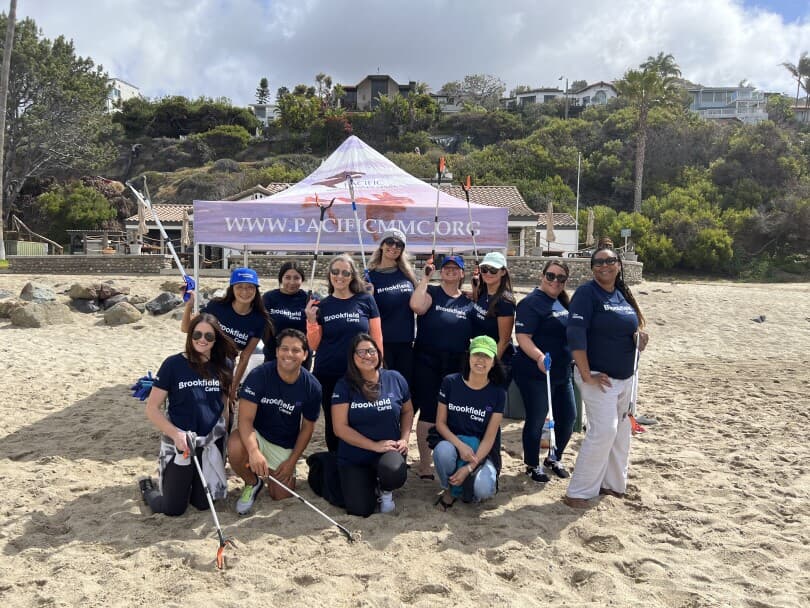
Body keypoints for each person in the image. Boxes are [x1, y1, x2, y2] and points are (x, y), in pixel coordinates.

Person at [563, 246, 649, 508]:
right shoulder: (587, 294)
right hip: (599, 378)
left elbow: (629, 326)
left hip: (626, 377)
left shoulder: (622, 294)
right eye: (598, 262)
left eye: (610, 261)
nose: (604, 266)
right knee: (603, 431)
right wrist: (586, 373)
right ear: (592, 268)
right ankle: (579, 491)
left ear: (619, 265)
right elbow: (575, 334)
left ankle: (612, 485)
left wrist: (639, 339)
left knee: (622, 432)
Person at [139, 313, 237, 516]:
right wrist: (176, 435)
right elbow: (152, 408)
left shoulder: (225, 365)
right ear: (190, 335)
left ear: (216, 339)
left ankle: (188, 485)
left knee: (203, 504)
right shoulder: (173, 365)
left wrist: (224, 445)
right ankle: (148, 489)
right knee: (173, 509)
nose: (202, 340)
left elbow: (225, 405)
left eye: (209, 336)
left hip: (209, 443)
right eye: (197, 334)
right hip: (182, 443)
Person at [228, 329, 322, 514]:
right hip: (258, 436)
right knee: (235, 445)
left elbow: (307, 428)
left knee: (280, 495)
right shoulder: (259, 375)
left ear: (304, 355)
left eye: (296, 350)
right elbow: (245, 420)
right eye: (284, 349)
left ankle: (272, 473)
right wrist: (254, 452)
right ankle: (252, 482)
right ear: (277, 351)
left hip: (284, 442)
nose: (289, 354)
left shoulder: (312, 387)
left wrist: (292, 461)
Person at [306, 254, 382, 452]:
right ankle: (336, 470)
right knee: (334, 426)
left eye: (345, 272)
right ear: (330, 275)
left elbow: (377, 338)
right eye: (335, 272)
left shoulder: (366, 300)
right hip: (328, 373)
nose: (340, 276)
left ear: (352, 276)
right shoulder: (322, 306)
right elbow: (314, 345)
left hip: (360, 373)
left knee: (363, 421)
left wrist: (378, 368)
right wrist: (311, 322)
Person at [331, 334, 413, 517]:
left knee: (394, 473)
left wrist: (405, 438)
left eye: (371, 351)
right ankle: (366, 483)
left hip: (388, 451)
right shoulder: (344, 386)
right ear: (352, 357)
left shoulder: (395, 378)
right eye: (361, 352)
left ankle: (385, 491)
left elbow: (407, 411)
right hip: (355, 455)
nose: (367, 356)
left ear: (378, 353)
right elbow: (340, 427)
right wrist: (374, 446)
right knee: (360, 509)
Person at [409, 254, 473, 479]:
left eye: (456, 268)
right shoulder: (432, 292)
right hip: (427, 359)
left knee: (450, 413)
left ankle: (447, 458)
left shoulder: (468, 300)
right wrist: (425, 278)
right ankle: (425, 466)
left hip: (456, 362)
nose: (451, 271)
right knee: (427, 412)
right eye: (447, 267)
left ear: (462, 273)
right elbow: (416, 306)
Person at [513, 260, 576, 483]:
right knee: (537, 419)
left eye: (561, 278)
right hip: (535, 373)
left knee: (568, 417)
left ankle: (554, 457)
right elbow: (523, 338)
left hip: (562, 372)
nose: (555, 281)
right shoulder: (530, 303)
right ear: (542, 276)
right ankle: (532, 464)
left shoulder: (562, 302)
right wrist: (539, 356)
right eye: (551, 276)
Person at [433, 335, 506, 510]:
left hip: (481, 452)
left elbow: (489, 439)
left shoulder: (498, 393)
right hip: (454, 444)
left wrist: (469, 468)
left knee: (483, 490)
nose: (481, 360)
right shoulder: (450, 382)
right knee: (442, 452)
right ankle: (450, 488)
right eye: (477, 354)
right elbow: (440, 424)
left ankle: (468, 483)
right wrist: (460, 446)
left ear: (493, 362)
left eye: (487, 356)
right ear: (469, 357)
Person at [181, 267, 273, 403]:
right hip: (200, 362)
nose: (245, 292)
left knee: (222, 411)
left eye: (250, 287)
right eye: (239, 287)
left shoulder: (259, 319)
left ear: (256, 289)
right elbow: (186, 328)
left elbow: (245, 357)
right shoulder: (217, 306)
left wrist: (233, 388)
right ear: (232, 288)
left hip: (225, 369)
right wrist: (189, 305)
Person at [368, 229, 417, 386]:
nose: (394, 247)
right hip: (382, 344)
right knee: (384, 389)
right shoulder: (370, 277)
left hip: (406, 344)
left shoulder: (407, 275)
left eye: (399, 244)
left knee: (404, 389)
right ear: (382, 245)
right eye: (390, 242)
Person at [469, 251, 516, 381]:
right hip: (479, 356)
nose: (488, 274)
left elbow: (504, 341)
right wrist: (474, 289)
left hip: (496, 361)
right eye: (484, 269)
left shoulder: (505, 301)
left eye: (493, 270)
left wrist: (490, 365)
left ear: (503, 272)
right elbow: (480, 308)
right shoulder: (483, 292)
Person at [261, 261, 309, 363]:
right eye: (287, 277)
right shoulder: (269, 298)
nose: (292, 282)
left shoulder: (308, 300)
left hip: (299, 358)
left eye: (296, 278)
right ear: (281, 278)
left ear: (302, 279)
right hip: (273, 355)